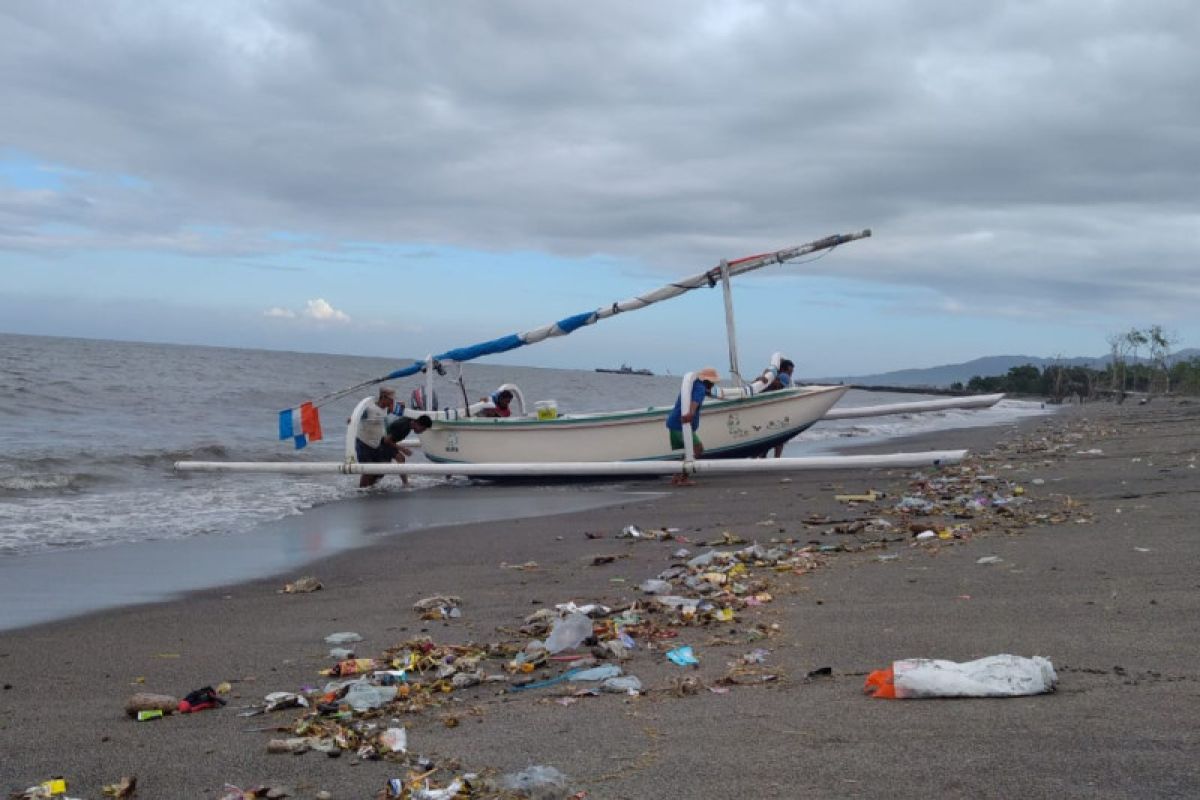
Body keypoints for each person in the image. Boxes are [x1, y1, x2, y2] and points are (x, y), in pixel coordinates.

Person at [665, 366, 719, 485]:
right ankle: (683, 478)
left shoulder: (695, 385)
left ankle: (677, 477)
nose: (713, 385)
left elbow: (696, 396)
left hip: (675, 422)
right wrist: (691, 414)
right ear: (708, 382)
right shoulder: (700, 388)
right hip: (680, 424)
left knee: (689, 451)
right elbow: (695, 401)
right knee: (698, 449)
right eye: (713, 383)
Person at [354, 386, 400, 488]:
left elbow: (396, 412)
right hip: (363, 443)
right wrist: (351, 419)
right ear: (383, 397)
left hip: (376, 444)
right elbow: (356, 416)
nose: (392, 401)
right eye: (391, 399)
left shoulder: (386, 409)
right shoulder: (369, 409)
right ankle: (361, 491)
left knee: (381, 469)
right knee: (367, 470)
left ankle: (370, 487)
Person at [384, 414, 433, 487]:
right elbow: (386, 440)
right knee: (400, 459)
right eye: (422, 429)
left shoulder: (409, 421)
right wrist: (402, 449)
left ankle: (405, 483)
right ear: (418, 424)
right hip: (382, 442)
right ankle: (405, 483)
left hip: (385, 440)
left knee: (400, 459)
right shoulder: (404, 427)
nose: (421, 432)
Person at [761, 359, 795, 458]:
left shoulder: (785, 381)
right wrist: (765, 376)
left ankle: (776, 460)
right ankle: (763, 459)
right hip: (766, 413)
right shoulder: (774, 379)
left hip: (777, 412)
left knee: (780, 439)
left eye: (791, 373)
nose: (790, 375)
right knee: (768, 439)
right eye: (789, 372)